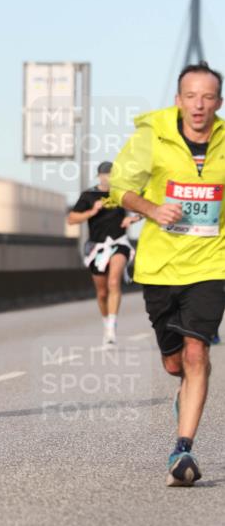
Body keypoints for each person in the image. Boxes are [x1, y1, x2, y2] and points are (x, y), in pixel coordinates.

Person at [108, 61, 224, 486]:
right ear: (178, 100)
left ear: (219, 102)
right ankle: (184, 392)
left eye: (208, 97)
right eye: (191, 96)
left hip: (212, 263)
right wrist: (153, 209)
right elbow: (119, 188)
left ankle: (183, 448)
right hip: (159, 267)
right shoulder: (151, 138)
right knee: (175, 363)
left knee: (198, 354)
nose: (199, 104)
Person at [68, 161, 141, 346]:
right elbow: (71, 219)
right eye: (105, 174)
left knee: (114, 281)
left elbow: (144, 207)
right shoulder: (89, 195)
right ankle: (106, 321)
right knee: (101, 293)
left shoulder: (121, 193)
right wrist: (92, 211)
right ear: (99, 176)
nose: (108, 178)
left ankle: (111, 329)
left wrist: (132, 219)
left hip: (118, 243)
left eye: (111, 174)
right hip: (97, 248)